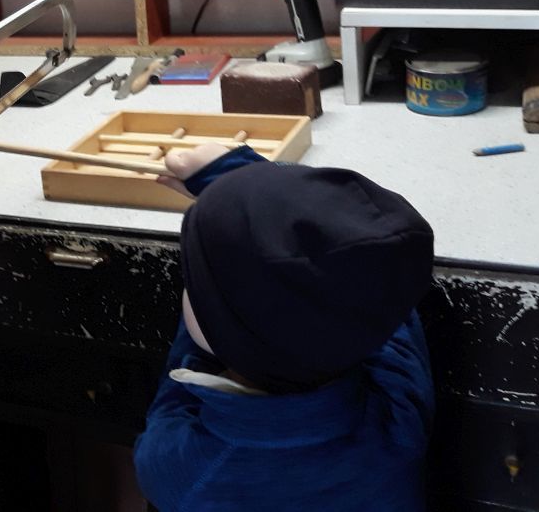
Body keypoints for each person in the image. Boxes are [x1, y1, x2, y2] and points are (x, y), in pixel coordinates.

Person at [134, 143, 436, 512]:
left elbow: (172, 400)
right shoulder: (399, 421)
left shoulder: (183, 472)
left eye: (194, 282)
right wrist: (240, 186)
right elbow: (369, 277)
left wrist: (233, 179)